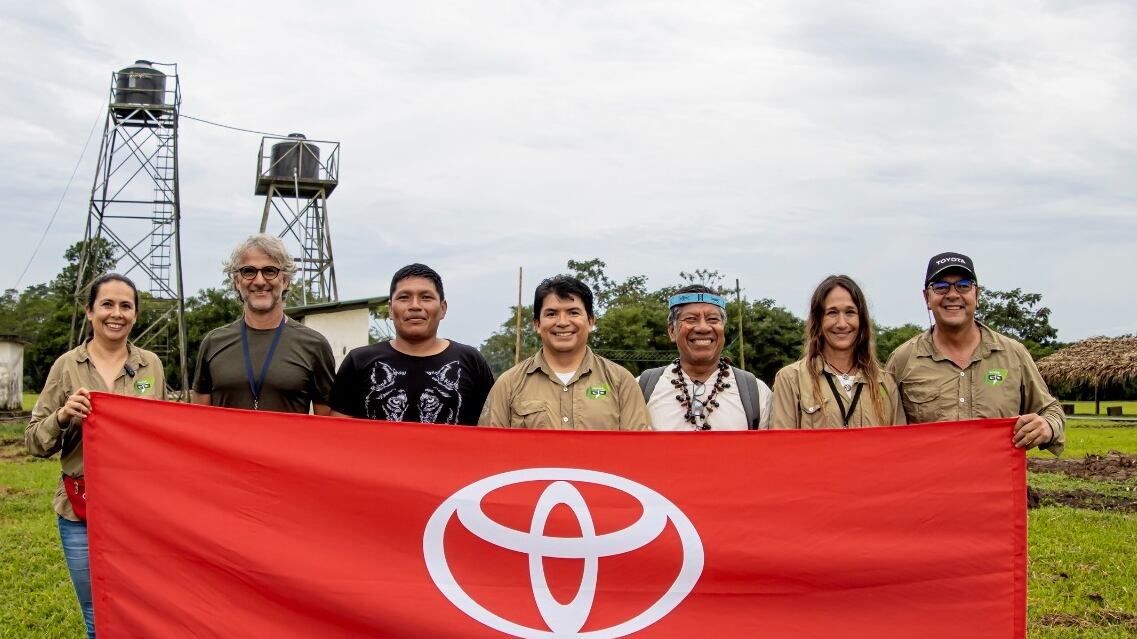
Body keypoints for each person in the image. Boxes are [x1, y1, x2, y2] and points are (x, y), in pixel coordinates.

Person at [26, 274, 166, 639]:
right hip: (80, 511)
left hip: (140, 511)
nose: (115, 314)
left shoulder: (151, 365)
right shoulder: (66, 367)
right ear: (89, 311)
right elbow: (34, 442)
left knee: (143, 604)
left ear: (135, 314)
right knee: (96, 611)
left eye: (125, 306)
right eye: (107, 304)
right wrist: (62, 416)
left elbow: (167, 432)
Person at [886, 252, 1064, 453]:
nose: (952, 294)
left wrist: (1047, 426)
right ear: (927, 298)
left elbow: (1051, 410)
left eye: (963, 285)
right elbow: (882, 428)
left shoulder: (1013, 354)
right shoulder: (903, 360)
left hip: (998, 482)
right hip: (927, 482)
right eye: (941, 287)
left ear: (977, 295)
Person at [329, 264, 493, 424]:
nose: (415, 305)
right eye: (404, 297)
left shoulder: (471, 361)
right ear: (391, 309)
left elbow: (490, 429)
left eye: (426, 297)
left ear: (443, 308)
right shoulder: (359, 361)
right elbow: (339, 434)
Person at [480, 275, 650, 430]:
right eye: (551, 314)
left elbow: (639, 450)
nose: (562, 322)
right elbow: (490, 449)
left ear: (590, 321)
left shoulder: (621, 382)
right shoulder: (509, 385)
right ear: (537, 324)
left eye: (573, 312)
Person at [192, 234, 335, 414]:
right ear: (237, 281)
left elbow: (328, 427)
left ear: (285, 280)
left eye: (269, 271)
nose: (259, 281)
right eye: (249, 271)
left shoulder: (314, 345)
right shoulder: (213, 343)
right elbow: (197, 421)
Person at [771, 275, 905, 429]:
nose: (842, 324)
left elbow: (900, 448)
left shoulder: (886, 383)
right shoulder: (791, 379)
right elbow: (783, 447)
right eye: (832, 313)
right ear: (818, 320)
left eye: (850, 312)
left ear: (861, 320)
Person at [638, 285, 771, 430]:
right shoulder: (639, 389)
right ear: (672, 331)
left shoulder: (757, 392)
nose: (703, 328)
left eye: (713, 319)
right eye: (691, 319)